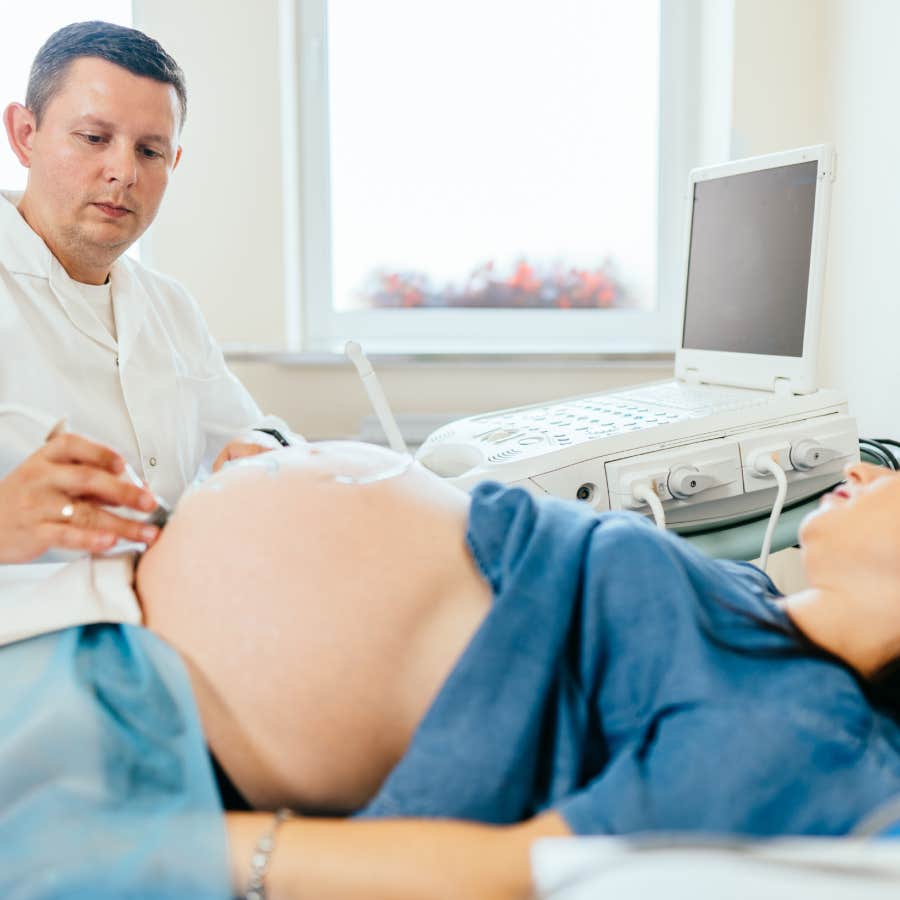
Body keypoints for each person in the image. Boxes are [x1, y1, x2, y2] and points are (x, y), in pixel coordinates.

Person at [127, 443, 900, 899]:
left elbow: (513, 872)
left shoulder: (798, 733)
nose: (864, 466)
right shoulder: (753, 596)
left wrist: (177, 846)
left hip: (162, 729)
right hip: (128, 607)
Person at [0, 21, 291, 562]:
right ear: (24, 134)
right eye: (94, 138)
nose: (123, 172)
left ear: (172, 163)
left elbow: (252, 429)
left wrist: (262, 449)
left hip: (177, 594)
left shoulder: (169, 307)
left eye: (150, 151)